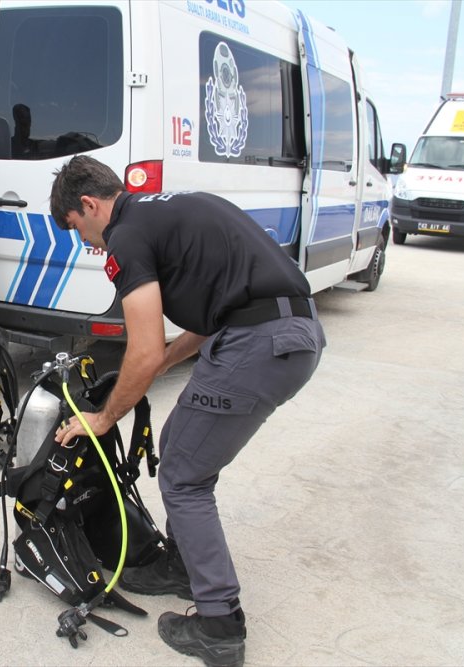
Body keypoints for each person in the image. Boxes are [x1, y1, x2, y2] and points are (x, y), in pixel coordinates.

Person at [50, 155, 325, 667]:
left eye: (76, 227)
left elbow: (145, 346)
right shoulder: (172, 207)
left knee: (182, 476)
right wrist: (158, 365)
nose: (86, 243)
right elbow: (216, 310)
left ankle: (220, 625)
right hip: (288, 332)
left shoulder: (126, 236)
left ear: (89, 204)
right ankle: (182, 565)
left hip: (259, 343)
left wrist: (105, 417)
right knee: (179, 443)